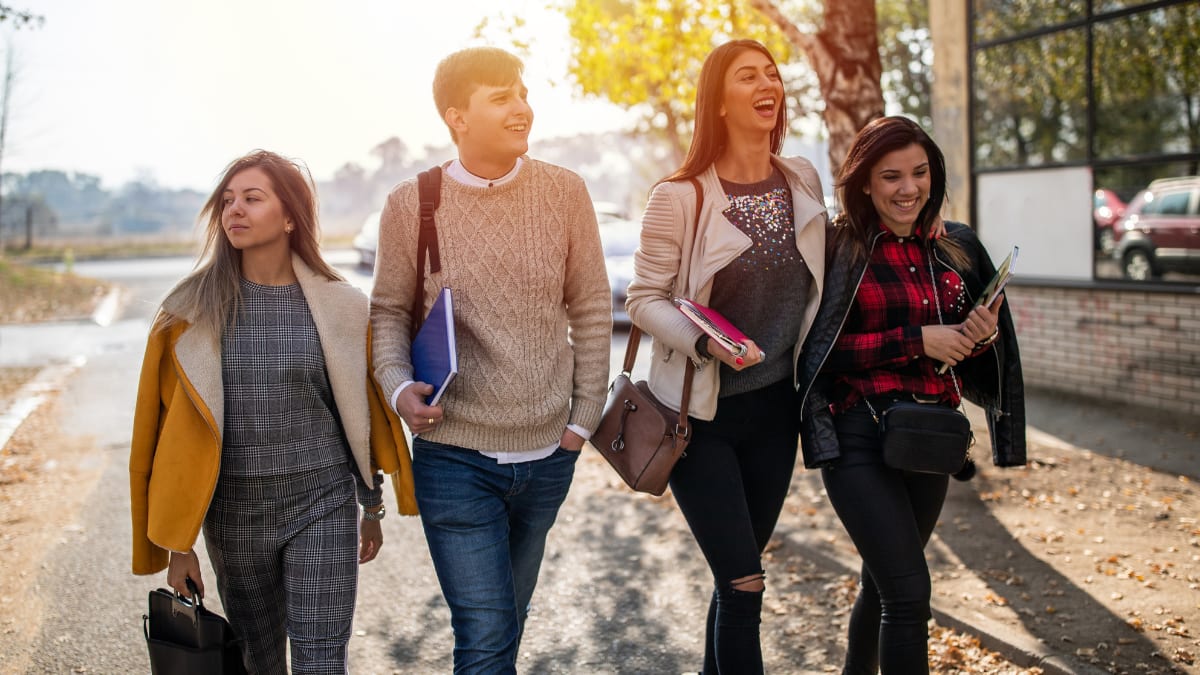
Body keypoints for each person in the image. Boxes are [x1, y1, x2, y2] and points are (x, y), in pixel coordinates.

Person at [368, 47, 612, 674]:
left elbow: (591, 307)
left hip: (549, 453)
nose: (521, 108)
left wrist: (582, 420)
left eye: (522, 93)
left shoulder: (565, 192)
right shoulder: (412, 203)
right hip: (454, 456)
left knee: (505, 624)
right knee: (486, 635)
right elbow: (388, 312)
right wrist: (398, 388)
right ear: (457, 117)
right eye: (501, 97)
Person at [129, 150, 417, 673]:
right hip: (234, 516)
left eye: (252, 198)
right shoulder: (186, 312)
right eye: (227, 201)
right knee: (260, 661)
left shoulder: (344, 307)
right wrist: (178, 546)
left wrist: (371, 507)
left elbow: (361, 417)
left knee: (321, 658)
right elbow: (161, 435)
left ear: (289, 217)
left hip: (322, 501)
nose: (234, 210)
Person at [625, 39, 828, 673]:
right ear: (717, 101)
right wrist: (705, 341)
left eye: (772, 74)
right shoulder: (679, 196)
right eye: (747, 76)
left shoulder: (801, 178)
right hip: (698, 418)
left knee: (735, 579)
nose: (767, 85)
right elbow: (643, 299)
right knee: (745, 584)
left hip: (776, 415)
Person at [796, 116, 1027, 673]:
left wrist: (977, 337)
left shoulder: (954, 245)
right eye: (891, 176)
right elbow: (816, 354)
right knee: (908, 593)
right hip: (857, 434)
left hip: (929, 436)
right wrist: (916, 339)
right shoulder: (838, 246)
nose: (909, 188)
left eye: (920, 173)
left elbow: (970, 351)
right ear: (865, 183)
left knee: (882, 584)